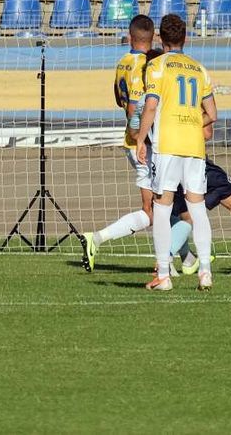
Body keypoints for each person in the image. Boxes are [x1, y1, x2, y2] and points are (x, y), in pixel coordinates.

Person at [136, 15, 217, 292]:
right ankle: (205, 271)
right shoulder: (199, 69)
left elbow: (150, 106)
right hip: (194, 145)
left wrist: (140, 139)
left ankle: (163, 274)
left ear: (161, 38)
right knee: (197, 207)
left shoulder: (157, 66)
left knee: (162, 207)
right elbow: (213, 114)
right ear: (185, 38)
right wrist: (194, 124)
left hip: (168, 145)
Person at [79, 15, 156, 272]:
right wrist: (141, 138)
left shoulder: (123, 62)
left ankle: (187, 259)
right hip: (142, 144)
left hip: (132, 141)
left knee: (165, 203)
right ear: (153, 37)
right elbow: (135, 108)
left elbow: (117, 99)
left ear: (130, 35)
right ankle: (97, 239)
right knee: (154, 210)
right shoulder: (144, 66)